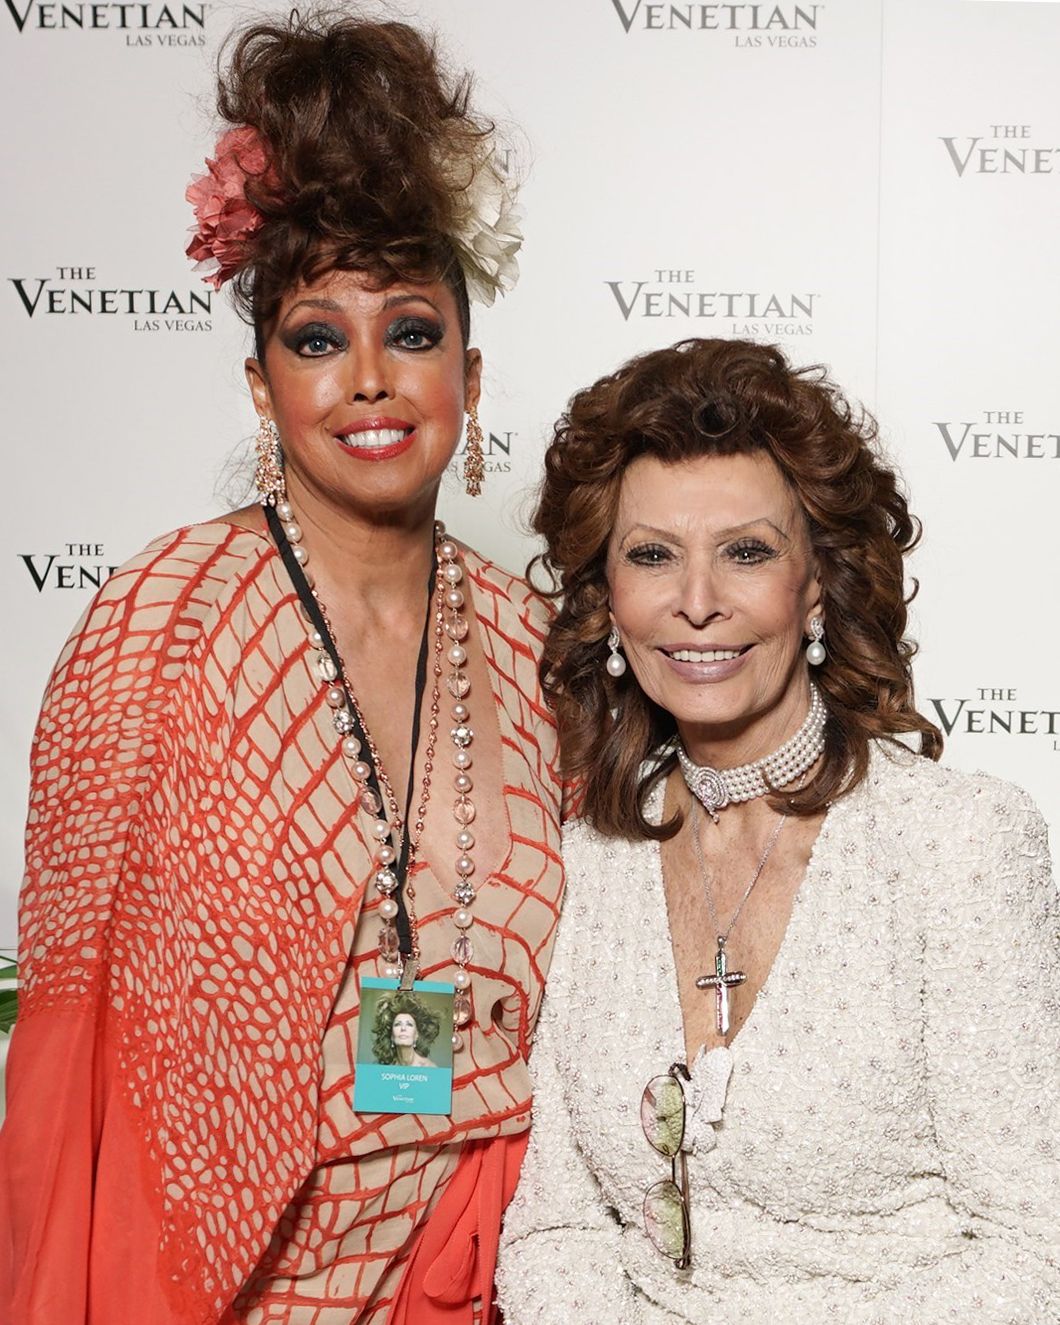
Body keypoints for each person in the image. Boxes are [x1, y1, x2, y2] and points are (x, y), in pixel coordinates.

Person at [0, 13, 564, 1325]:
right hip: (225, 1292)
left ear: (471, 378)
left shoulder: (541, 651)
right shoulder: (158, 629)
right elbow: (74, 1066)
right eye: (317, 338)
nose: (370, 378)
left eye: (412, 333)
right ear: (262, 387)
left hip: (499, 1280)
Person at [496, 338, 1059, 1323]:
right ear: (609, 597)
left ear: (814, 584)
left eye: (746, 550)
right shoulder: (589, 859)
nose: (698, 599)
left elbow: (1034, 1244)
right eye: (651, 553)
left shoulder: (956, 842)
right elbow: (558, 1226)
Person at [373, 994, 442, 1068]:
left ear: (416, 1035)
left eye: (409, 1024)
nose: (403, 1028)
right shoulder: (381, 1068)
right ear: (392, 1036)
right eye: (397, 1024)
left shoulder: (430, 1068)